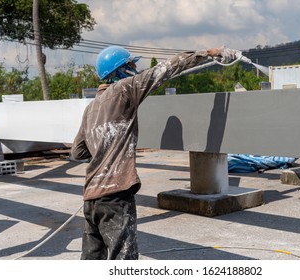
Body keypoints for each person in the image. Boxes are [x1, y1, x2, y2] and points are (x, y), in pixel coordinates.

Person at [70, 45, 237, 260]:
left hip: (91, 199)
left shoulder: (91, 108)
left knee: (92, 261)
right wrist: (209, 53)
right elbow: (167, 68)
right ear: (120, 71)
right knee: (124, 260)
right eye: (131, 65)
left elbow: (78, 151)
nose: (135, 68)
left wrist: (103, 148)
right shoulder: (125, 89)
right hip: (115, 195)